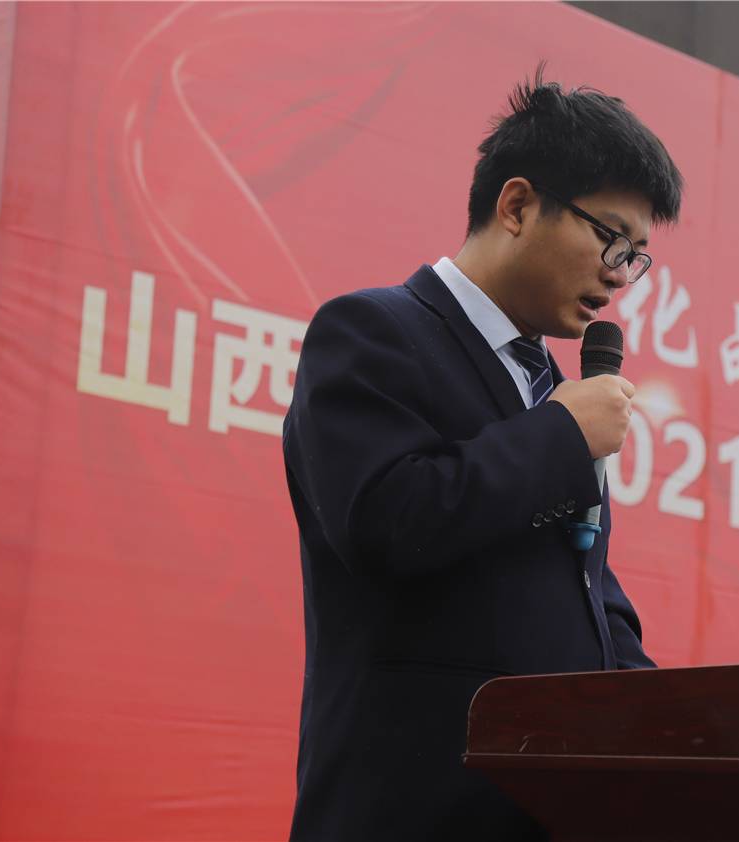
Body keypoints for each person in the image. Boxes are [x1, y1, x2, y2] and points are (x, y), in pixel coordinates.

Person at [282, 72, 683, 840]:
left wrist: (676, 724)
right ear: (518, 206)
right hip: (410, 810)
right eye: (611, 237)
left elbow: (583, 594)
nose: (619, 274)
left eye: (636, 256)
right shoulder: (371, 332)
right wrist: (560, 436)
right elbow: (386, 520)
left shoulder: (554, 393)